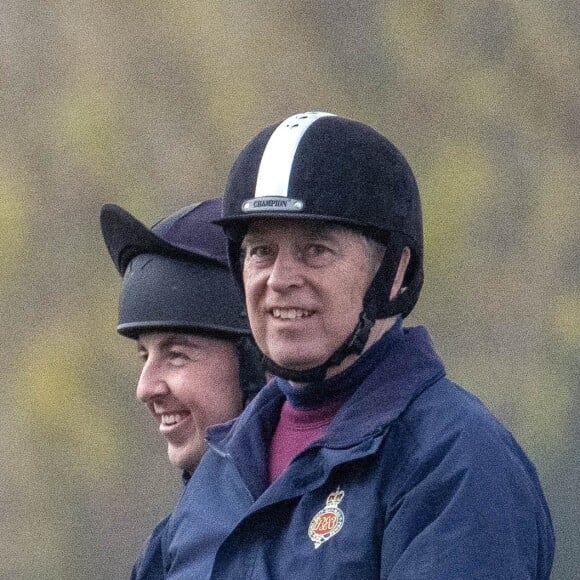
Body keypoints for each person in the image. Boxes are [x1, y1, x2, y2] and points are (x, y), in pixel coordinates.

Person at [162, 112, 555, 578]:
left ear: (397, 272)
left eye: (316, 250)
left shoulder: (455, 459)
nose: (280, 280)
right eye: (261, 251)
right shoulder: (222, 469)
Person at [100, 198, 264, 579]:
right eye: (144, 356)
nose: (145, 388)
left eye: (175, 355)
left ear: (258, 359)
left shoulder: (338, 513)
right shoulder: (169, 548)